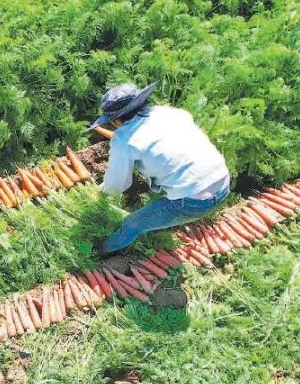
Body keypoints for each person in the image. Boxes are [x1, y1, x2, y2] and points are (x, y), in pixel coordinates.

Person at [89, 82, 230, 257]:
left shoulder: (123, 140)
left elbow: (117, 185)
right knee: (161, 186)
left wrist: (101, 193)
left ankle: (100, 251)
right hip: (223, 181)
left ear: (116, 120)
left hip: (195, 201)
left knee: (132, 224)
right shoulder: (171, 113)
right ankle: (161, 218)